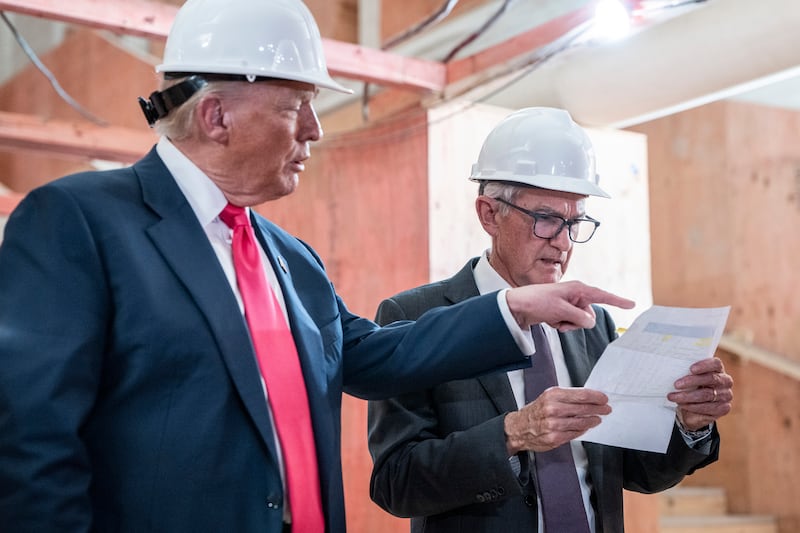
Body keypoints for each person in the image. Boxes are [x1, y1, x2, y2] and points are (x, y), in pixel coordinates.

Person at [0, 2, 636, 532]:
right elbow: (29, 447)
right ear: (216, 115)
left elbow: (369, 357)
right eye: (294, 105)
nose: (315, 130)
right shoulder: (79, 222)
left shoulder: (288, 257)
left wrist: (510, 308)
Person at [367, 107, 734, 533]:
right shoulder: (416, 317)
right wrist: (514, 433)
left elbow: (634, 471)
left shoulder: (592, 324)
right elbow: (396, 482)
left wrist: (689, 425)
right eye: (545, 219)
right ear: (489, 214)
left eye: (575, 222)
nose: (562, 242)